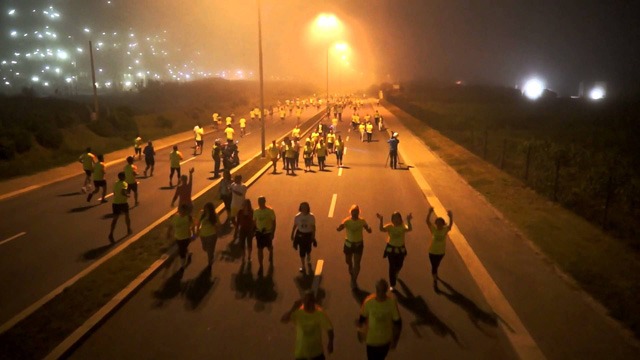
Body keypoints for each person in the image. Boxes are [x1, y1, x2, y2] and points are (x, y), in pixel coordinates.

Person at [281, 291, 334, 360]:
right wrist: (293, 308)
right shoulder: (298, 313)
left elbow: (329, 329)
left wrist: (330, 342)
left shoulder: (319, 314)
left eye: (310, 301)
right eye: (306, 301)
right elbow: (284, 320)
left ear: (313, 302)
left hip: (316, 354)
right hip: (301, 355)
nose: (308, 303)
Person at [358, 279, 402, 360]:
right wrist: (359, 332)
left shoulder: (391, 304)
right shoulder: (368, 302)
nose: (381, 294)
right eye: (379, 291)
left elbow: (398, 323)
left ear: (385, 291)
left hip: (385, 340)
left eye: (382, 291)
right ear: (376, 290)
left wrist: (395, 340)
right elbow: (362, 319)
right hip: (372, 340)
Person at [337, 205, 372, 289]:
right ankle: (350, 266)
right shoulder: (347, 221)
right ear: (351, 212)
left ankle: (354, 279)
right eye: (353, 212)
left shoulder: (362, 221)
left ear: (358, 212)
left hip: (358, 244)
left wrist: (368, 229)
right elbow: (339, 228)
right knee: (348, 261)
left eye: (356, 212)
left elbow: (368, 229)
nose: (355, 214)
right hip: (348, 244)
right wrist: (339, 227)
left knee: (357, 263)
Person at [376, 211, 413, 291]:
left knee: (400, 264)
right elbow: (382, 229)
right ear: (392, 220)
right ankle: (392, 284)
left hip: (400, 249)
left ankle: (397, 272)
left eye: (398, 218)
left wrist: (409, 220)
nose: (396, 220)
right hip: (391, 249)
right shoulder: (390, 226)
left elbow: (409, 229)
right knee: (391, 266)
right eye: (394, 218)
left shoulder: (403, 227)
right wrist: (381, 220)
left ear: (400, 219)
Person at [426, 207, 454, 284]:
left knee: (437, 264)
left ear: (443, 224)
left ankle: (435, 273)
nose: (439, 225)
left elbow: (450, 224)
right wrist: (429, 212)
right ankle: (435, 278)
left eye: (440, 224)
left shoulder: (445, 230)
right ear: (436, 224)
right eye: (437, 223)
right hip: (432, 252)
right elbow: (427, 222)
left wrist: (450, 217)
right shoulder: (433, 229)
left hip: (441, 253)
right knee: (434, 266)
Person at [291, 202, 316, 275]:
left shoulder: (311, 217)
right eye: (302, 207)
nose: (304, 209)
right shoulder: (297, 216)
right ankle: (303, 266)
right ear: (300, 208)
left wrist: (313, 236)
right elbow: (295, 226)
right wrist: (292, 234)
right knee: (301, 251)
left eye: (305, 207)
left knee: (308, 249)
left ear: (308, 208)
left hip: (308, 234)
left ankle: (308, 255)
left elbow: (313, 227)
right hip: (300, 234)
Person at [168, 204, 195, 270]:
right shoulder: (175, 217)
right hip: (178, 237)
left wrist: (193, 235)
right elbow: (171, 226)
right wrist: (168, 233)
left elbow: (193, 226)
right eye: (180, 210)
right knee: (181, 250)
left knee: (183, 248)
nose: (182, 212)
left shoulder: (188, 217)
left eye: (183, 210)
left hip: (187, 237)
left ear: (186, 211)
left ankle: (186, 255)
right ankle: (183, 264)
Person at [253, 196, 276, 269]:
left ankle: (271, 252)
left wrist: (273, 233)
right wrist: (254, 231)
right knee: (260, 249)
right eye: (259, 202)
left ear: (264, 202)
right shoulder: (256, 211)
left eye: (262, 201)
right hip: (259, 233)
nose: (260, 203)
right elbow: (254, 221)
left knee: (269, 247)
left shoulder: (270, 211)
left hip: (267, 232)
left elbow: (274, 222)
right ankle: (261, 265)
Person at [108, 172, 131, 243]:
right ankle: (128, 229)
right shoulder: (124, 183)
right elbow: (123, 192)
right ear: (124, 177)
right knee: (127, 216)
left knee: (115, 219)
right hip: (123, 203)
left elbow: (114, 193)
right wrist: (127, 195)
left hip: (115, 203)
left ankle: (111, 233)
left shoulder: (116, 183)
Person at [197, 202, 221, 268]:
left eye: (207, 209)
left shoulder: (215, 215)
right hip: (203, 235)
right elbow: (198, 222)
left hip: (212, 235)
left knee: (210, 250)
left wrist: (217, 228)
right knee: (205, 248)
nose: (206, 210)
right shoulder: (202, 214)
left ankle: (210, 261)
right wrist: (197, 231)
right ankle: (211, 255)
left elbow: (219, 224)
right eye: (205, 208)